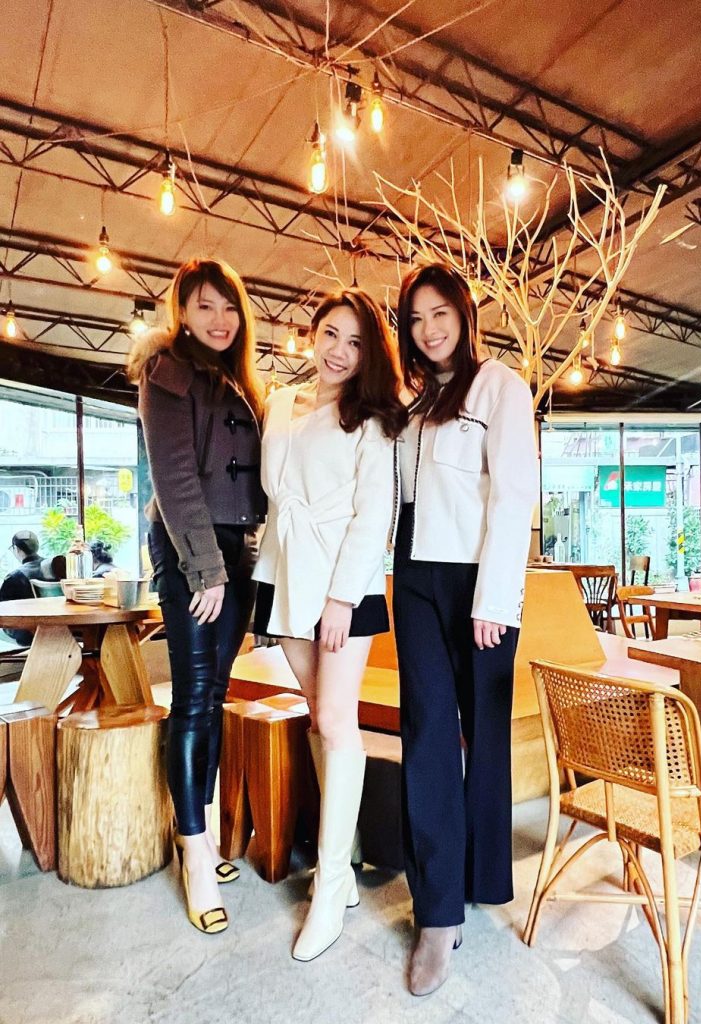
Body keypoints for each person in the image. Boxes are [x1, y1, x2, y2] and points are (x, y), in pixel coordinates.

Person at [393, 262, 539, 995]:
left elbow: (514, 495)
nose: (429, 330)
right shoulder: (413, 404)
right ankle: (437, 913)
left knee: (485, 736)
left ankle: (482, 878)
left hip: (477, 581)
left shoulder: (500, 387)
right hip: (414, 576)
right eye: (416, 319)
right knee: (425, 732)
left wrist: (494, 598)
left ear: (463, 314)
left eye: (439, 313)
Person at [253, 288, 405, 962]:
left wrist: (342, 598)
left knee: (339, 720)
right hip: (285, 572)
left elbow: (375, 514)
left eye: (355, 342)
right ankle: (341, 864)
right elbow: (272, 493)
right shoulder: (282, 403)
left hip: (344, 582)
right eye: (331, 335)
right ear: (310, 334)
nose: (340, 352)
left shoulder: (372, 418)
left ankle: (331, 881)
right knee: (320, 717)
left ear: (370, 354)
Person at [127, 258, 265, 935]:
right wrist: (205, 569)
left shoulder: (235, 379)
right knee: (192, 696)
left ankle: (202, 833)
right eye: (204, 305)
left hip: (233, 550)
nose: (219, 318)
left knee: (214, 695)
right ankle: (193, 854)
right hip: (191, 552)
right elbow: (175, 478)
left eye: (229, 306)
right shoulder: (168, 372)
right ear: (180, 311)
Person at [0, 530, 45, 646]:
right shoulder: (55, 567)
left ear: (17, 549)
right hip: (60, 629)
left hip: (27, 634)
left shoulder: (14, 577)